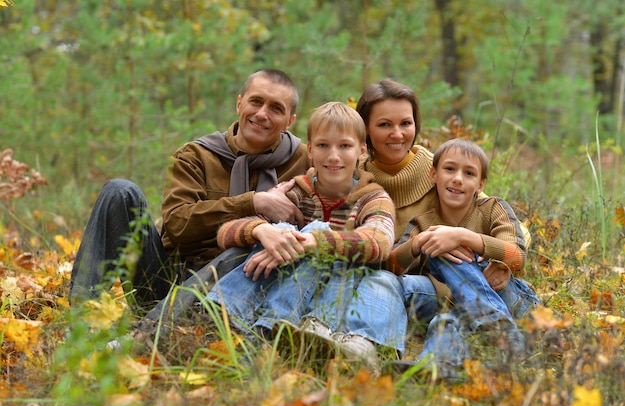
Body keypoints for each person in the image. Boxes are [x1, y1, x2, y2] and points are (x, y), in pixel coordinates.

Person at [69, 69, 311, 309]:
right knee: (119, 191)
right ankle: (80, 314)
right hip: (171, 281)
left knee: (241, 251)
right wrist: (253, 202)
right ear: (239, 104)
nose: (261, 114)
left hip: (253, 286)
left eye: (276, 108)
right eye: (255, 102)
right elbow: (177, 225)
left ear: (290, 120)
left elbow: (345, 186)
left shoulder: (306, 159)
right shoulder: (196, 155)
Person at [207, 102, 406, 368]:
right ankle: (223, 315)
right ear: (310, 150)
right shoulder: (294, 193)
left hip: (336, 296)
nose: (333, 156)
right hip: (285, 286)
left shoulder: (373, 198)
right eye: (323, 146)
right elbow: (225, 234)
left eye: (344, 146)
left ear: (361, 151)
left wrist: (314, 241)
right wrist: (262, 230)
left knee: (317, 231)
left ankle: (275, 328)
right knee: (281, 230)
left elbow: (379, 243)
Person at [387, 139, 540, 376]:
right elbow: (392, 264)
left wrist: (463, 237)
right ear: (433, 175)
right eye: (450, 169)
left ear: (480, 184)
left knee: (440, 243)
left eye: (468, 173)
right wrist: (418, 242)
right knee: (445, 318)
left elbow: (517, 256)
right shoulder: (423, 223)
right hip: (456, 305)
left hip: (511, 298)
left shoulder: (493, 208)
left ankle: (495, 322)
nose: (458, 178)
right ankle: (437, 367)